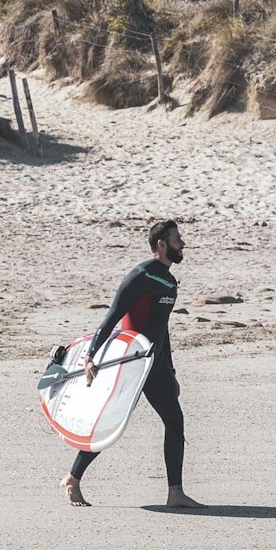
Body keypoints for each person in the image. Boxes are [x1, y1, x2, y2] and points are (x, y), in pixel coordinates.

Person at [64, 218, 201, 510]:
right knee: (110, 420)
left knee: (175, 421)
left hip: (154, 363)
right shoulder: (140, 275)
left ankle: (175, 492)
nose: (183, 243)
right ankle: (73, 479)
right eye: (178, 239)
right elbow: (112, 316)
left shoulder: (170, 281)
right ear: (161, 245)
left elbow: (162, 328)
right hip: (130, 363)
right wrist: (91, 355)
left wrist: (171, 370)